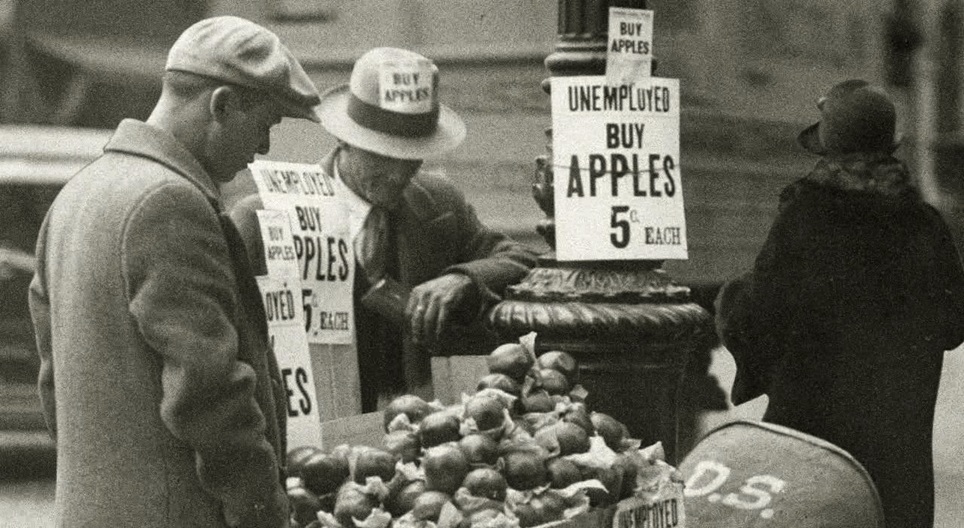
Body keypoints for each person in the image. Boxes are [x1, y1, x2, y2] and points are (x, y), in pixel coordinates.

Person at [28, 16, 321, 528]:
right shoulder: (170, 202)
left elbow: (54, 379)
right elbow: (211, 394)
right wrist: (263, 511)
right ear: (221, 105)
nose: (264, 149)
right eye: (266, 124)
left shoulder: (77, 193)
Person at [715, 79, 964, 528]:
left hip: (814, 456)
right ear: (892, 144)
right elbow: (953, 325)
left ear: (828, 146)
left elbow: (758, 318)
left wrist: (731, 298)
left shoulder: (803, 217)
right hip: (896, 463)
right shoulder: (925, 225)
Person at [233, 47, 538, 411]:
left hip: (417, 423)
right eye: (381, 154)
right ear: (344, 138)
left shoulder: (439, 203)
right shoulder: (268, 214)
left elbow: (521, 260)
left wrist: (464, 280)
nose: (398, 174)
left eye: (412, 156)